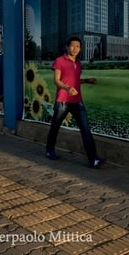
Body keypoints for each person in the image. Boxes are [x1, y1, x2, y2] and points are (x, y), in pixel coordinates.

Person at [46, 36, 104, 168]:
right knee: (55, 127)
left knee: (85, 129)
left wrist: (87, 80)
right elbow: (57, 80)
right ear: (67, 47)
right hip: (63, 101)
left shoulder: (78, 63)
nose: (75, 48)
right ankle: (50, 150)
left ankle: (93, 159)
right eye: (72, 46)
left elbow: (75, 81)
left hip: (77, 101)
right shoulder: (59, 61)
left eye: (78, 46)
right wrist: (67, 88)